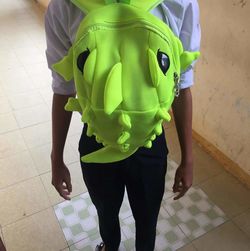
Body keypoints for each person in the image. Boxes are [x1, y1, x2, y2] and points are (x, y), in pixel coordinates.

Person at [45, 0, 201, 250]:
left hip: (132, 139)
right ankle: (111, 246)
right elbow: (63, 89)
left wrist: (188, 158)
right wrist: (56, 157)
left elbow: (181, 84)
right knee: (112, 214)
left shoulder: (179, 3)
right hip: (114, 140)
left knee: (142, 218)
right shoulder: (64, 6)